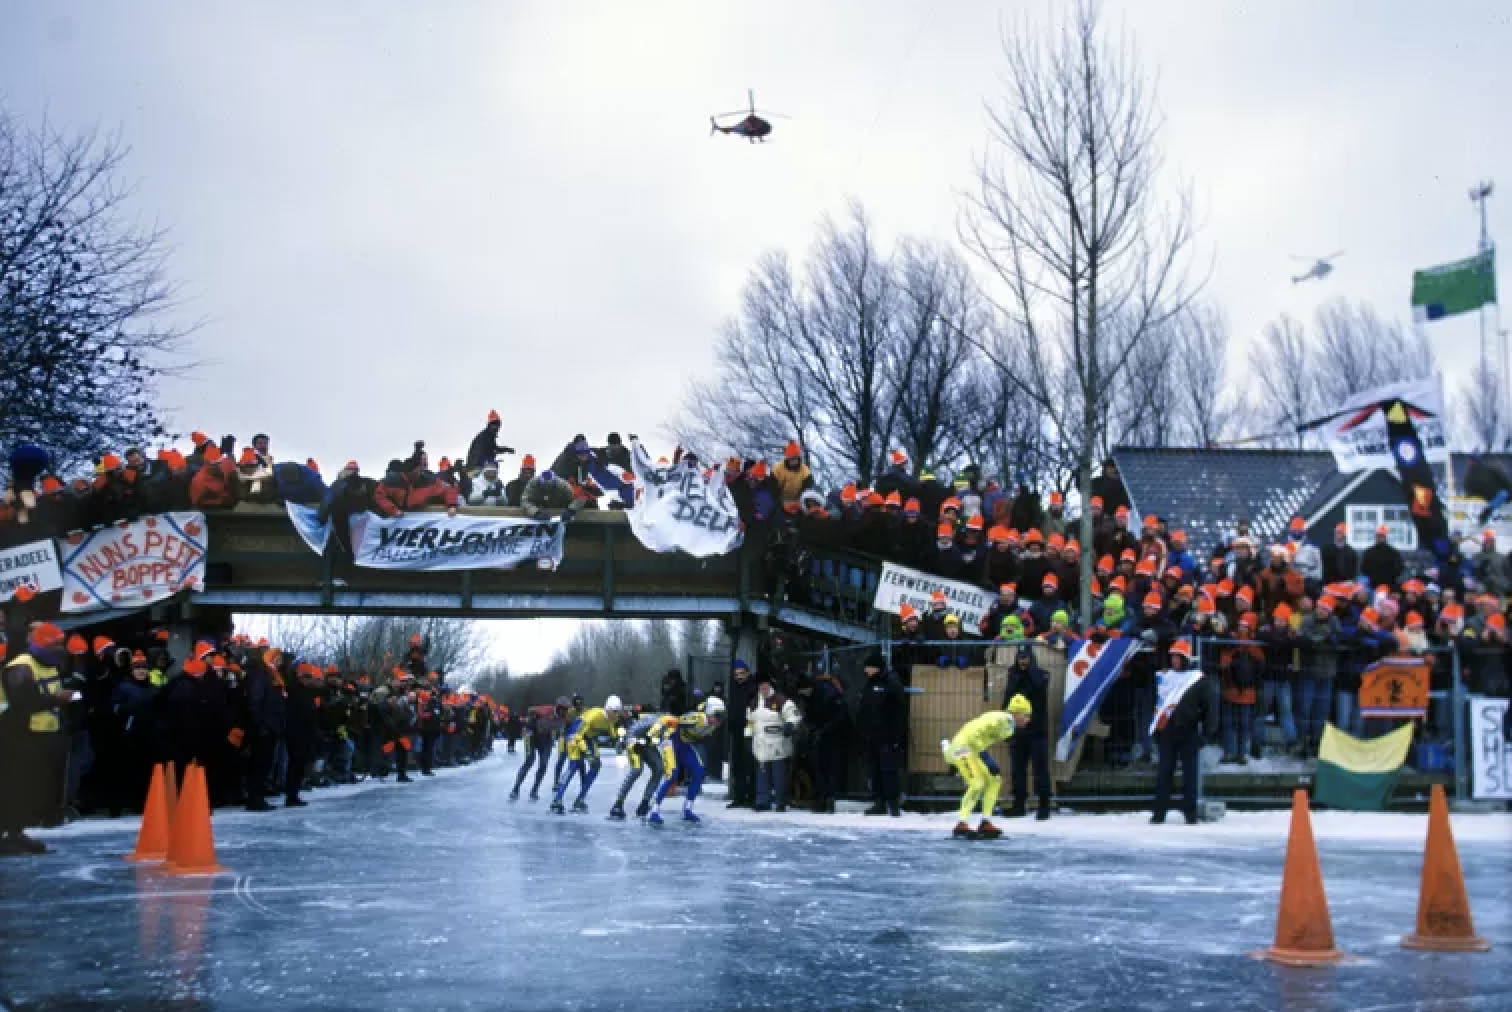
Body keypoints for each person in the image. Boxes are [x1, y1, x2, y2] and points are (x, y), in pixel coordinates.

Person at [0, 622, 71, 855]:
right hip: (19, 735)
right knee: (14, 786)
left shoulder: (49, 664)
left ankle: (16, 832)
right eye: (55, 646)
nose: (59, 650)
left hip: (43, 734)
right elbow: (22, 703)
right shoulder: (21, 667)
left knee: (29, 787)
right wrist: (55, 699)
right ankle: (8, 835)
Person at [943, 695, 1034, 840]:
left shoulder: (1009, 725)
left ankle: (986, 821)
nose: (1028, 719)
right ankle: (962, 823)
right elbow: (973, 735)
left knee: (994, 779)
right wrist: (985, 757)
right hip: (961, 749)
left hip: (970, 750)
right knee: (977, 783)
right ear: (1016, 713)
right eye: (1026, 715)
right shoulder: (999, 719)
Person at [1150, 640, 1215, 825]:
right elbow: (1158, 704)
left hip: (1189, 731)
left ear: (1186, 658)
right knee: (1164, 773)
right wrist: (1156, 728)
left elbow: (1209, 708)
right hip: (1167, 731)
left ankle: (1190, 814)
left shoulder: (1198, 680)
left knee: (1190, 774)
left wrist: (1207, 734)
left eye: (1178, 657)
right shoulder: (1165, 677)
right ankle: (1159, 813)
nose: (1174, 660)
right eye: (1172, 657)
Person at [646, 697, 725, 825]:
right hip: (670, 738)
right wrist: (651, 736)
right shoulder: (696, 718)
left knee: (699, 772)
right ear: (709, 713)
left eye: (722, 716)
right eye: (717, 715)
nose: (719, 720)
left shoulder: (712, 725)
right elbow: (668, 721)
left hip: (684, 743)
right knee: (672, 774)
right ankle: (654, 809)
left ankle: (688, 808)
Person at [1002, 646, 1052, 820]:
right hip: (1018, 731)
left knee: (1040, 770)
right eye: (1020, 658)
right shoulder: (1012, 675)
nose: (1023, 662)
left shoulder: (1041, 675)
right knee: (1017, 770)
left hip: (1037, 730)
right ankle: (1019, 804)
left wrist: (1029, 671)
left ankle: (1044, 805)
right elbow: (1007, 699)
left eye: (1026, 658)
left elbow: (1039, 688)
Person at [550, 695, 623, 814]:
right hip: (575, 735)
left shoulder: (611, 718)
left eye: (618, 712)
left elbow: (610, 728)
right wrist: (587, 752)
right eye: (615, 712)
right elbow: (578, 736)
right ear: (608, 709)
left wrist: (617, 741)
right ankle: (557, 799)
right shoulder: (594, 716)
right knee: (574, 765)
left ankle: (580, 799)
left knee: (596, 765)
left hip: (589, 738)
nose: (617, 715)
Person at [855, 653, 906, 817]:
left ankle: (892, 803)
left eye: (868, 667)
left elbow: (898, 708)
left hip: (887, 735)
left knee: (889, 770)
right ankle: (879, 802)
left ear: (876, 667)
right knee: (875, 770)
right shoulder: (869, 685)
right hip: (871, 736)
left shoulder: (890, 682)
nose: (865, 670)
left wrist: (896, 733)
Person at [746, 674, 801, 812]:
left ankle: (780, 801)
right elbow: (751, 722)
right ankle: (762, 801)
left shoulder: (781, 700)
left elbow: (794, 715)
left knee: (779, 775)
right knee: (762, 775)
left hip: (778, 744)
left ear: (770, 686)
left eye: (765, 685)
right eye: (761, 685)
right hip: (760, 746)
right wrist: (748, 735)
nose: (763, 687)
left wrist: (790, 725)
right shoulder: (753, 703)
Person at [609, 710, 666, 820]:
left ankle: (644, 803)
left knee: (659, 769)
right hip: (633, 738)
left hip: (646, 741)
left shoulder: (663, 724)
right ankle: (618, 803)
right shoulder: (662, 725)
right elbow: (655, 737)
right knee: (637, 770)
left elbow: (654, 739)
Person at [511, 699, 566, 801]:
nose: (564, 712)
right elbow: (530, 709)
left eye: (566, 710)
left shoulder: (564, 718)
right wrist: (533, 716)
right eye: (562, 709)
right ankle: (515, 788)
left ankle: (534, 790)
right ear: (558, 707)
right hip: (530, 734)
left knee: (544, 764)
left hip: (545, 738)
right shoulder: (547, 709)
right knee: (529, 761)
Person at [724, 660, 758, 808]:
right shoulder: (734, 687)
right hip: (736, 729)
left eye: (741, 673)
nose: (739, 676)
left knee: (749, 763)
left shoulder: (752, 688)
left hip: (749, 730)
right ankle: (739, 796)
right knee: (737, 765)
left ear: (747, 673)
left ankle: (751, 796)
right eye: (736, 674)